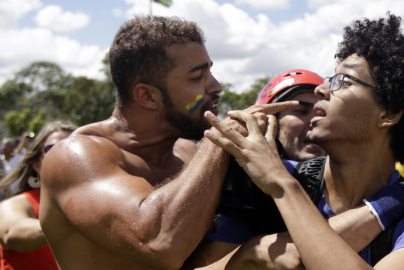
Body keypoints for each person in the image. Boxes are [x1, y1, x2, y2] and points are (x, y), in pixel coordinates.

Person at [204, 13, 404, 269]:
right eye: (330, 79)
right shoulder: (263, 187)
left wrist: (282, 185)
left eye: (344, 81)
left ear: (388, 113)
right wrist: (252, 252)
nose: (321, 90)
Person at [38, 16, 296, 270]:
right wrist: (219, 141)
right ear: (148, 96)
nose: (216, 87)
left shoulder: (186, 151)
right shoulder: (76, 155)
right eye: (197, 77)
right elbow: (160, 244)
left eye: (210, 71)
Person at [0, 120, 77, 270]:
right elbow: (12, 233)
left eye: (77, 147)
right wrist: (75, 221)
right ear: (36, 165)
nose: (68, 155)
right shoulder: (16, 204)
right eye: (54, 149)